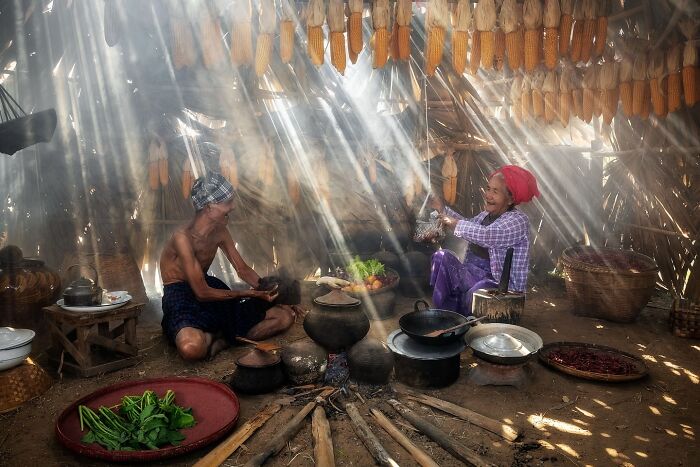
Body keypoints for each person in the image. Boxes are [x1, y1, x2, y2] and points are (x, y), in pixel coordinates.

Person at [159, 172, 299, 361]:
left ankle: (223, 337)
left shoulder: (220, 232)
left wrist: (270, 291)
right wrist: (250, 294)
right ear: (209, 207)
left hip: (212, 291)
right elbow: (201, 293)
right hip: (181, 296)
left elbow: (243, 269)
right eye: (227, 203)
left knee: (285, 318)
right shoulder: (182, 238)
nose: (232, 207)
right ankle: (218, 335)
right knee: (191, 348)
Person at [429, 165, 540, 316]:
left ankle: (464, 320)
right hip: (471, 275)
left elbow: (487, 236)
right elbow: (468, 225)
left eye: (495, 191)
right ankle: (445, 314)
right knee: (441, 257)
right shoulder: (484, 216)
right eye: (488, 189)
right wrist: (443, 210)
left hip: (500, 286)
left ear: (511, 199)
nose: (488, 195)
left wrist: (454, 223)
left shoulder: (518, 221)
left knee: (479, 291)